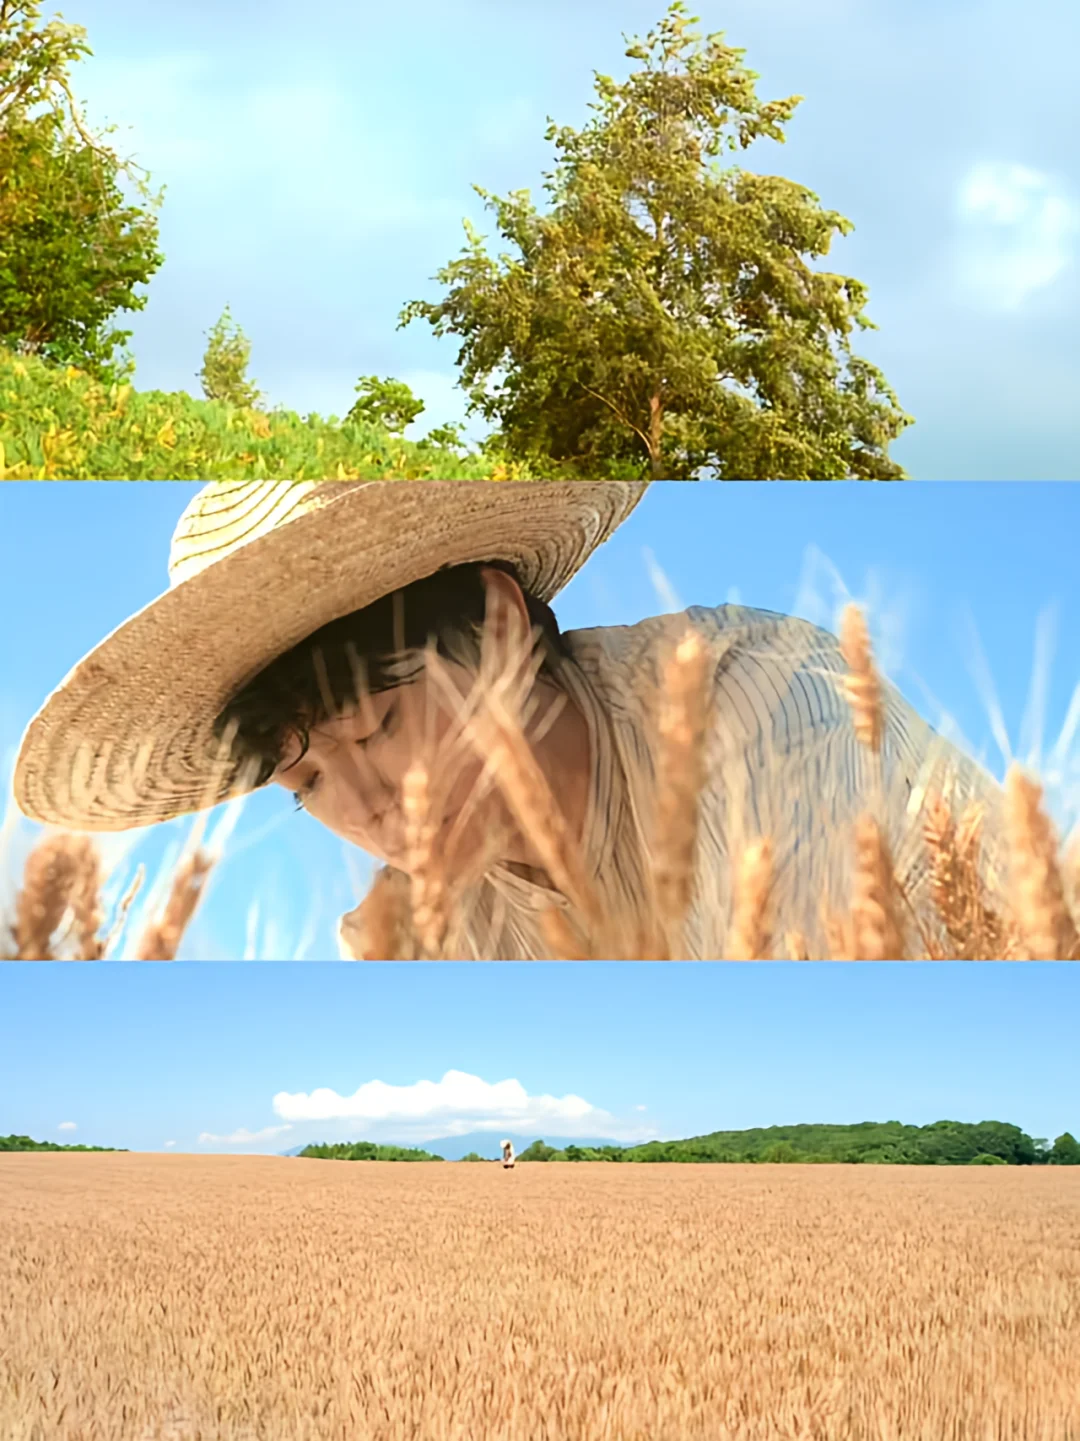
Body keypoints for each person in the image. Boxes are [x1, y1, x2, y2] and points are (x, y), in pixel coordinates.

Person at [14, 480, 1006, 960]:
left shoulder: (756, 708)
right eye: (305, 782)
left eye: (377, 726)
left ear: (496, 623)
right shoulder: (421, 932)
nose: (366, 811)